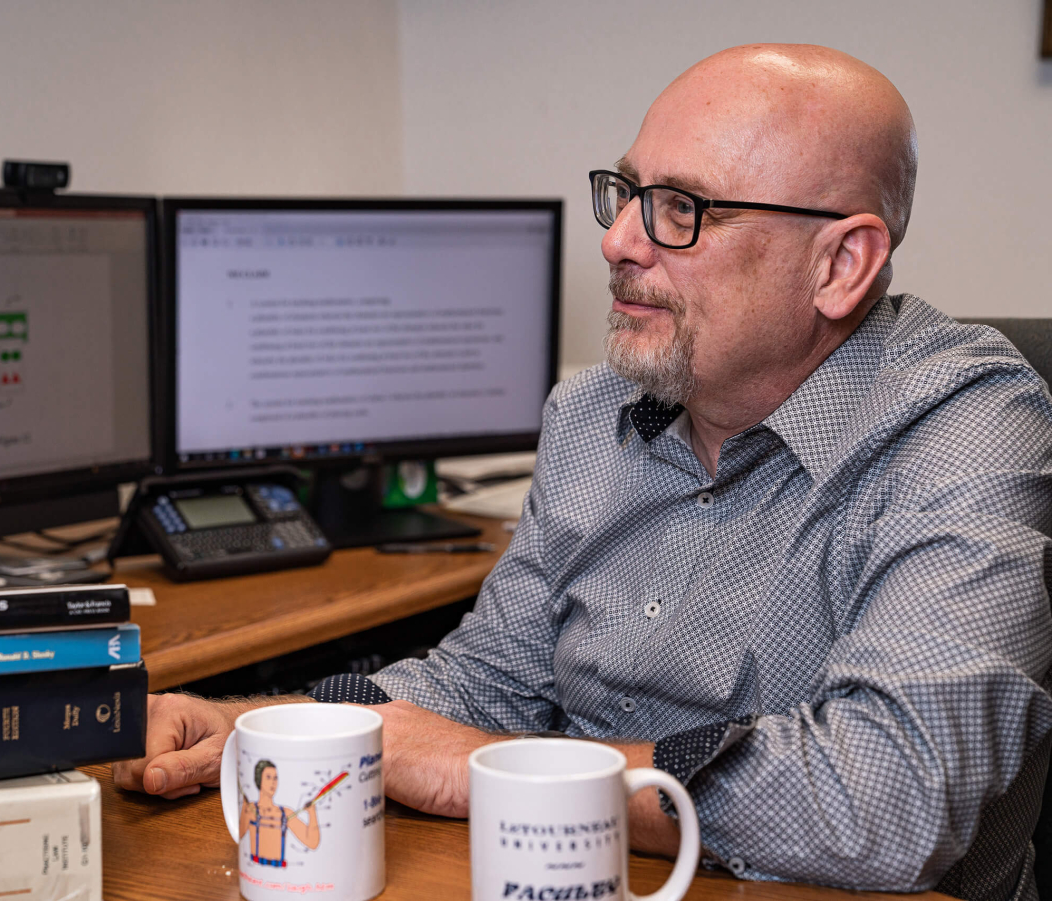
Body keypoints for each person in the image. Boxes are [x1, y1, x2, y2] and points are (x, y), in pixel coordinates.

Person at [115, 44, 1052, 900]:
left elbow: (890, 798)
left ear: (842, 264)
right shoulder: (590, 412)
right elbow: (483, 684)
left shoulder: (968, 426)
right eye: (629, 191)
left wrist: (503, 771)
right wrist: (245, 728)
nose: (617, 242)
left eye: (682, 209)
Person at [238, 760, 321, 867]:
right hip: (256, 868)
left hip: (281, 874)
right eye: (268, 777)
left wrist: (312, 812)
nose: (273, 782)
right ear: (259, 780)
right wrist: (244, 807)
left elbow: (312, 842)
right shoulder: (251, 809)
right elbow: (239, 835)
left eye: (275, 778)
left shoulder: (285, 814)